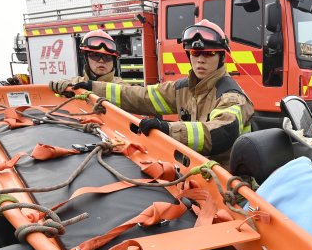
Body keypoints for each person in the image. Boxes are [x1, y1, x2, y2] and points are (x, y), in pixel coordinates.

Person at [50, 19, 254, 169]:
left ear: (221, 57)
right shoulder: (184, 89)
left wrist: (168, 129)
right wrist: (91, 88)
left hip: (231, 185)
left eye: (208, 53)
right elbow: (139, 95)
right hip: (198, 172)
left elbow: (222, 133)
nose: (200, 59)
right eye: (195, 53)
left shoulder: (231, 96)